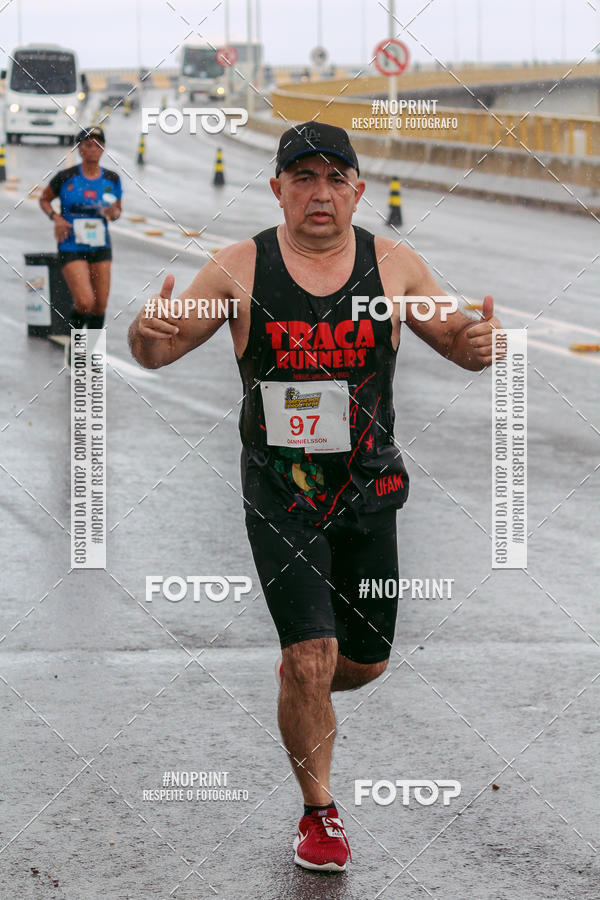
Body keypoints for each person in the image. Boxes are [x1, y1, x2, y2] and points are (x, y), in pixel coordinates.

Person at [128, 122, 502, 872]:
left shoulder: (393, 266)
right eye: (303, 178)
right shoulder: (238, 269)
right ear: (278, 190)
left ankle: (309, 678)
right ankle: (318, 813)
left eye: (336, 179)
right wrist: (146, 331)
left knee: (362, 664)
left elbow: (457, 340)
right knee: (310, 655)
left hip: (370, 491)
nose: (320, 193)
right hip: (281, 495)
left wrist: (474, 343)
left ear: (359, 190)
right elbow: (159, 349)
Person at [39, 125, 122, 365]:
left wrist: (113, 212)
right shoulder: (66, 177)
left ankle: (92, 353)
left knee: (100, 305)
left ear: (103, 148)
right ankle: (75, 349)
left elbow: (117, 211)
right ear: (79, 149)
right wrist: (56, 218)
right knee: (85, 302)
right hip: (71, 245)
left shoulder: (111, 179)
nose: (92, 149)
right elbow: (45, 199)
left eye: (97, 144)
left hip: (100, 246)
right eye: (87, 144)